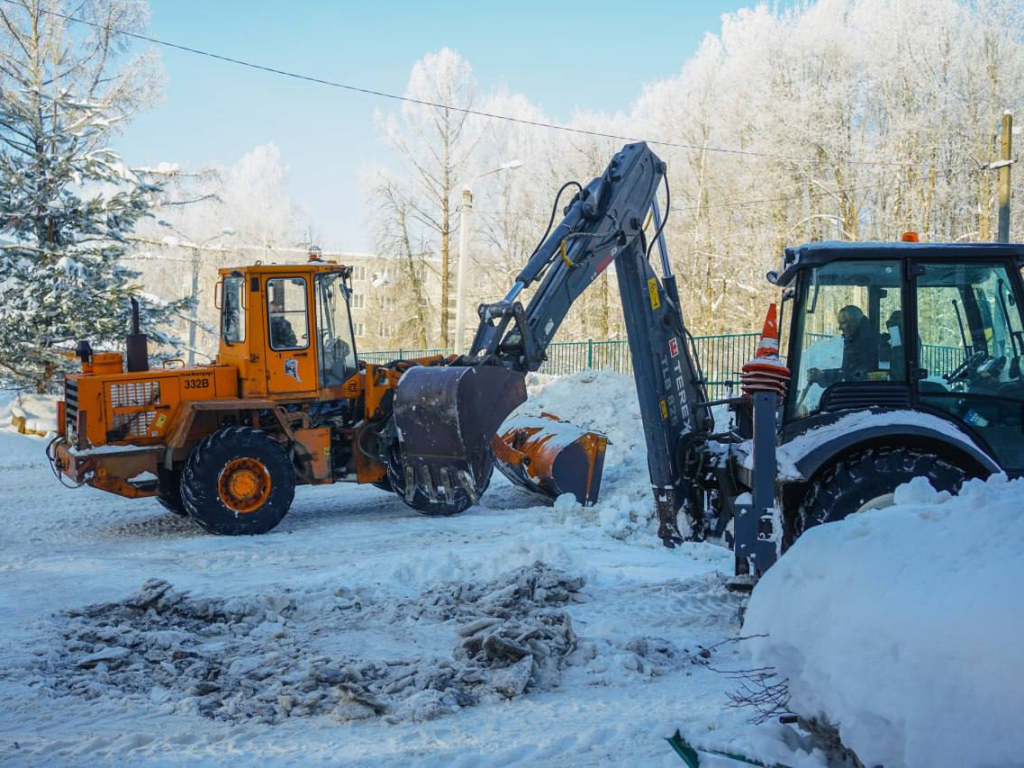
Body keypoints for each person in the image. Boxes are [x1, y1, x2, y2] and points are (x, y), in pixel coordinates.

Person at [808, 305, 879, 386]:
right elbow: (847, 372)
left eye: (843, 323)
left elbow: (858, 377)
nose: (839, 328)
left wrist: (823, 376)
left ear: (854, 321)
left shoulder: (867, 343)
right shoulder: (855, 340)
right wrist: (822, 374)